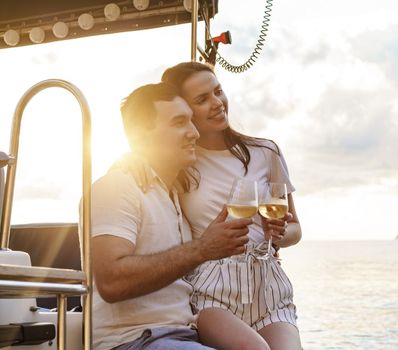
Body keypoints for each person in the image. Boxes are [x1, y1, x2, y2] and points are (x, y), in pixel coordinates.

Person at [124, 62, 303, 349]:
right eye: (202, 99)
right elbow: (144, 155)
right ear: (186, 109)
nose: (217, 103)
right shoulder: (182, 163)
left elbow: (296, 230)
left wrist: (280, 234)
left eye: (218, 91)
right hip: (212, 290)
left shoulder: (265, 152)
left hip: (267, 286)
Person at [90, 82, 253, 350]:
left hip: (183, 335)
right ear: (141, 137)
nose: (194, 133)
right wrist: (202, 249)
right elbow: (111, 281)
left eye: (191, 121)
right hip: (136, 340)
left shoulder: (175, 195)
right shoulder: (117, 186)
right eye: (179, 122)